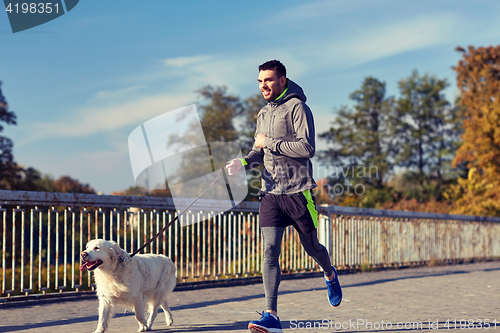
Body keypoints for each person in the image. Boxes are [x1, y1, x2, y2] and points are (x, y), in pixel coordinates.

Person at [226, 60, 342, 333]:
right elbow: (260, 152)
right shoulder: (263, 114)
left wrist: (270, 142)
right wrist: (242, 162)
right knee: (269, 251)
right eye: (259, 81)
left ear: (281, 80)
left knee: (312, 248)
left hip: (298, 191)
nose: (262, 86)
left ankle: (330, 273)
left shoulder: (298, 108)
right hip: (270, 193)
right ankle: (271, 315)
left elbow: (307, 147)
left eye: (267, 80)